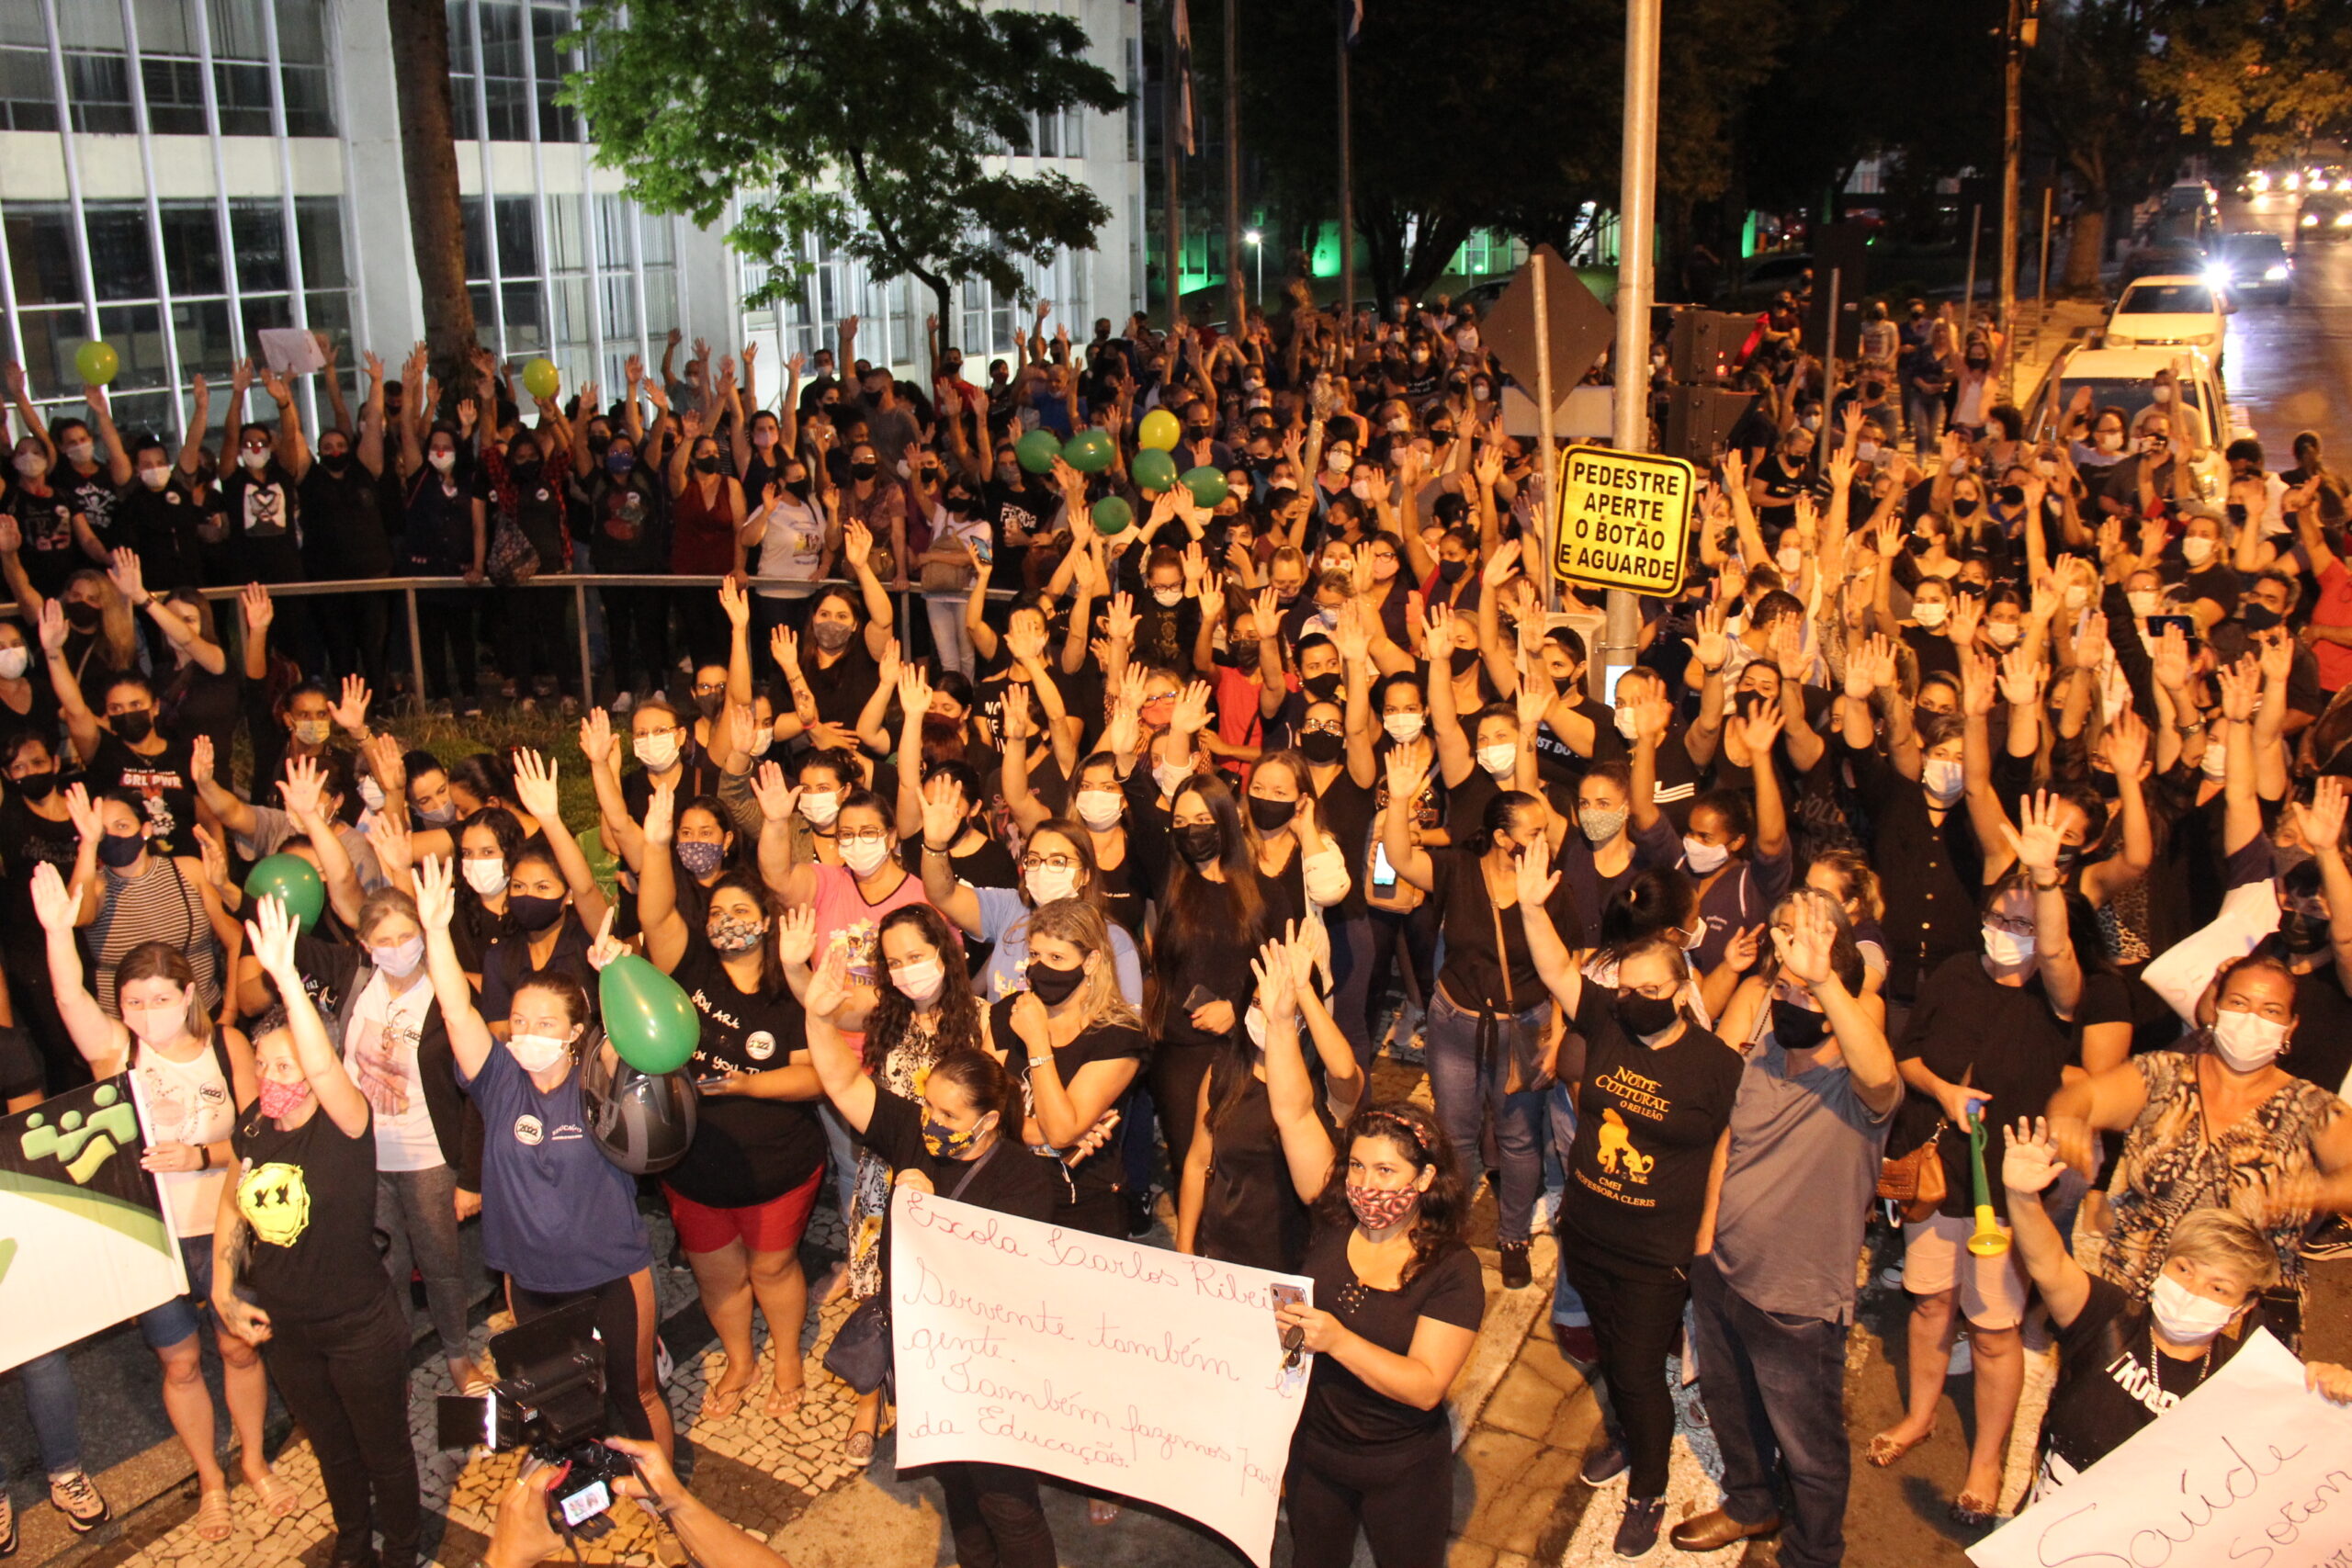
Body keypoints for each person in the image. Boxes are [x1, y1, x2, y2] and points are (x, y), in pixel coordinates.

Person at [34, 868, 297, 1541]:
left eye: (159, 997)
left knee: (239, 1348)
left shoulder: (226, 1045)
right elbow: (67, 999)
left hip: (223, 1225)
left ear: (189, 993)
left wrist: (201, 1157)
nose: (147, 1011)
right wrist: (60, 931)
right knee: (180, 1362)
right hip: (152, 1241)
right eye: (132, 1000)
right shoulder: (118, 1054)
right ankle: (210, 1476)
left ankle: (254, 1459)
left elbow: (251, 1137)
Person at [1511, 850, 1744, 1558]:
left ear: (1680, 989)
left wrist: (1705, 1233)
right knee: (1612, 1353)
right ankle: (1624, 1440)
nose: (1639, 994)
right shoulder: (1609, 1019)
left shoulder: (1714, 1063)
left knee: (1642, 1373)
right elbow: (1556, 971)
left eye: (1654, 985)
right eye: (1630, 983)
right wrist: (1527, 906)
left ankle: (1647, 1488)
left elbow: (1728, 1148)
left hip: (1655, 1250)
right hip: (1589, 1230)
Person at [801, 944, 1062, 1568]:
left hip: (991, 1364)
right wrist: (816, 1017)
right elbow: (841, 1080)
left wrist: (932, 1217)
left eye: (948, 1114)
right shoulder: (910, 1131)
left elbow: (1012, 1277)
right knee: (960, 1492)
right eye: (928, 1105)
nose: (932, 1122)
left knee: (1009, 1503)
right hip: (924, 1358)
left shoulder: (1026, 1180)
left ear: (990, 1120)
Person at [414, 855, 673, 1457]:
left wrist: (620, 974)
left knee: (634, 1391)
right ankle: (583, 1476)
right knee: (557, 1392)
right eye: (521, 1018)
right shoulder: (499, 1078)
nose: (527, 1029)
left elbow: (643, 1045)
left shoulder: (600, 1069)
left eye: (546, 1021)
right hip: (530, 1276)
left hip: (612, 1269)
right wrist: (435, 932)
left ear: (577, 1029)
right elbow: (457, 1011)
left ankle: (663, 1495)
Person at [1873, 795, 2084, 1525]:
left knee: (1994, 1331)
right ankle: (1921, 1413)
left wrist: (2045, 880)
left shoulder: (2061, 1000)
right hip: (1937, 1176)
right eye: (2001, 918)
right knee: (1930, 1302)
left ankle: (1987, 1456)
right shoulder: (1956, 972)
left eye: (2023, 925)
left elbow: (2057, 958)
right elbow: (1909, 1053)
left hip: (2008, 1189)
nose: (2008, 934)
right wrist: (1942, 1088)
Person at [1675, 889, 1900, 1562]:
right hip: (1726, 1273)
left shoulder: (1860, 1091)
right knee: (1732, 1406)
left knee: (1810, 1447)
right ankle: (1751, 1503)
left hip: (1798, 1301)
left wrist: (1826, 976)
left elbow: (1883, 1073)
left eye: (1813, 998)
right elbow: (1728, 1144)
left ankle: (1811, 1551)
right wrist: (1706, 1244)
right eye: (1787, 990)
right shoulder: (1766, 1050)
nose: (1794, 1005)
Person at [210, 896, 421, 1568]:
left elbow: (325, 1068)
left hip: (358, 1324)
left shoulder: (345, 1120)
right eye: (267, 1067)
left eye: (288, 1065)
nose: (276, 1080)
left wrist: (281, 976)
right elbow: (232, 1199)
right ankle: (355, 1544)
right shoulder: (255, 1123)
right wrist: (223, 1287)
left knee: (382, 1448)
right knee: (331, 1448)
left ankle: (406, 1547)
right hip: (288, 1328)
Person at [1253, 982, 1481, 1568]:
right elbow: (1294, 1111)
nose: (1366, 1183)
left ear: (1425, 1179)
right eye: (1357, 1165)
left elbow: (1427, 1385)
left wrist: (1338, 1340)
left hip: (1400, 1470)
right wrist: (1282, 1021)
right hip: (1317, 1456)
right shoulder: (1334, 1213)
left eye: (1386, 1169)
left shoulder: (1451, 1269)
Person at [2000, 1122, 2352, 1498]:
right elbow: (2048, 1264)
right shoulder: (2106, 1316)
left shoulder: (2243, 1378)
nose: (2191, 1290)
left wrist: (2332, 1396)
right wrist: (2022, 1197)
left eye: (2218, 1288)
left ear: (2243, 1307)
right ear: (2163, 1266)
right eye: (2184, 1269)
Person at [634, 784, 828, 1423]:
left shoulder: (791, 984)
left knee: (771, 1268)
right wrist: (657, 844)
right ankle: (741, 1358)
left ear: (768, 919)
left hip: (777, 1160)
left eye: (739, 910)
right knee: (717, 1274)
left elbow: (814, 1079)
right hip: (693, 1160)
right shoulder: (688, 963)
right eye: (716, 912)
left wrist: (746, 1084)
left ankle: (789, 1360)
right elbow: (657, 911)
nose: (724, 921)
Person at [2046, 950, 2352, 1343]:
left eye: (2270, 1010)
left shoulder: (2312, 1108)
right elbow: (2083, 1097)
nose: (2251, 1020)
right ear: (2216, 1007)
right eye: (2239, 1003)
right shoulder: (2162, 1075)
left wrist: (2321, 1191)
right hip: (2137, 1302)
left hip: (2240, 1319)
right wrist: (2068, 1119)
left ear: (2289, 1028)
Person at [1379, 751, 1566, 1291]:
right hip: (1455, 1024)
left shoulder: (1552, 887)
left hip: (1521, 1028)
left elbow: (1569, 966)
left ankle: (1512, 1237)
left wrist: (1561, 1034)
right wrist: (1400, 798)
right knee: (1456, 1136)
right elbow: (1399, 855)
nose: (1546, 839)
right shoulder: (1459, 869)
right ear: (1504, 838)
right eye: (1535, 831)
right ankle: (1452, 1234)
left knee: (1518, 1138)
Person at [1177, 928, 1364, 1270]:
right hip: (1224, 1248)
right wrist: (1185, 1243)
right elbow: (1198, 1161)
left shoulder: (1321, 1082)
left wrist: (1303, 990)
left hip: (1298, 1256)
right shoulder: (1223, 1073)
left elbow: (1344, 1072)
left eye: (1280, 1008)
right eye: (1258, 1003)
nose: (1267, 1017)